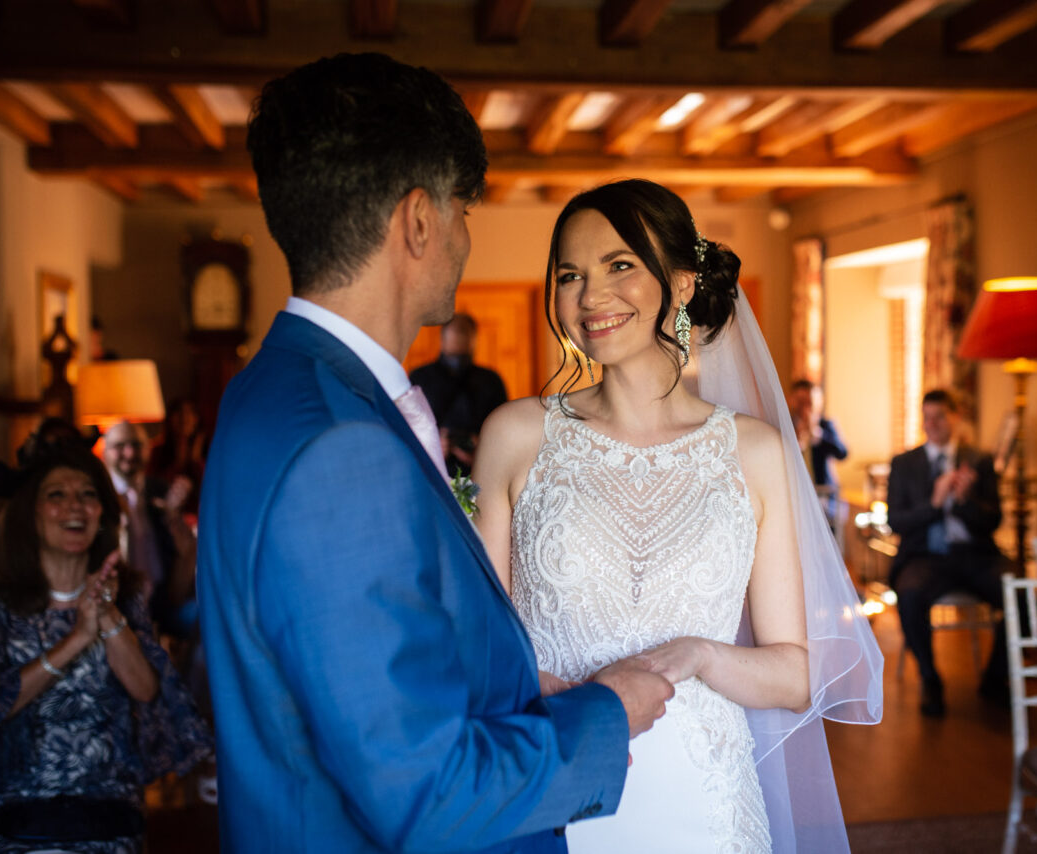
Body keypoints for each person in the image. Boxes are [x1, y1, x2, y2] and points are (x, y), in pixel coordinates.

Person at [198, 53, 673, 853]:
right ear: (418, 220)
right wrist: (606, 711)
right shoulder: (340, 449)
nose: (464, 235)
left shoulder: (270, 390)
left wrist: (518, 687)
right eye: (463, 208)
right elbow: (427, 796)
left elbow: (346, 669)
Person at [473, 179, 882, 853]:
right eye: (569, 274)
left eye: (620, 265)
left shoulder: (755, 453)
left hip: (708, 809)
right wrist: (570, 700)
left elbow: (796, 672)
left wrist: (699, 654)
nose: (589, 296)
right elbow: (483, 650)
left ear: (684, 284)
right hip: (557, 789)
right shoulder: (515, 436)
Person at [0, 441, 212, 853]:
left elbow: (145, 690)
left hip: (105, 804)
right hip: (14, 804)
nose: (75, 506)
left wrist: (106, 615)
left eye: (88, 494)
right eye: (56, 495)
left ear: (101, 514)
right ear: (30, 515)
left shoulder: (126, 594)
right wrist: (77, 638)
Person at [887, 388, 1014, 717]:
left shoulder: (980, 461)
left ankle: (995, 679)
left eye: (939, 416)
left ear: (956, 416)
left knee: (1020, 594)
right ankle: (930, 679)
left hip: (975, 555)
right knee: (910, 595)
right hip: (924, 556)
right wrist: (934, 503)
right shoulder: (904, 463)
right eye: (927, 417)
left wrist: (964, 502)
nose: (932, 424)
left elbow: (993, 521)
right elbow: (896, 521)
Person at [102, 420, 197, 641]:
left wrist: (175, 519)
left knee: (208, 615)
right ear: (106, 452)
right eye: (119, 446)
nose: (129, 452)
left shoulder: (163, 491)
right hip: (119, 603)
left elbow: (185, 550)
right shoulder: (99, 497)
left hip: (164, 600)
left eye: (136, 444)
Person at [410, 312, 508, 475]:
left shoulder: (490, 380)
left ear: (475, 339)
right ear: (443, 338)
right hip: (430, 471)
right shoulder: (420, 377)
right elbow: (407, 427)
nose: (460, 337)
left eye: (465, 331)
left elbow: (504, 430)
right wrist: (432, 445)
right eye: (456, 331)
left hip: (481, 472)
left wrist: (484, 449)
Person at [788, 378, 848, 525]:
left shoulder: (826, 425)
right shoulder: (786, 426)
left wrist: (817, 434)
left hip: (824, 496)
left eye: (809, 402)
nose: (805, 408)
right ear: (792, 401)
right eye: (801, 402)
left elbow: (842, 453)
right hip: (795, 496)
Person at [147, 398, 207, 515]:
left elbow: (209, 490)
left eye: (190, 412)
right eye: (179, 412)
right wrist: (178, 463)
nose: (184, 418)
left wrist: (196, 461)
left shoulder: (208, 450)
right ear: (170, 419)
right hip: (164, 516)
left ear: (197, 419)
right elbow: (153, 489)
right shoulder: (156, 452)